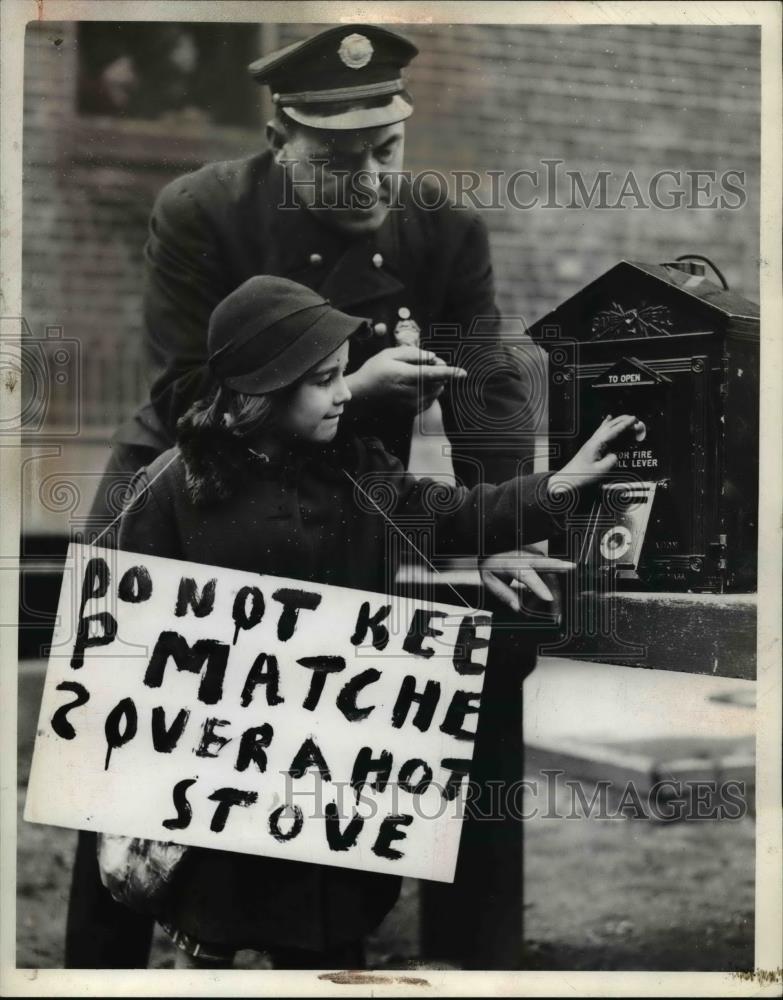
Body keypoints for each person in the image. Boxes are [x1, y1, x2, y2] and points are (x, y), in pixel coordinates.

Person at [66, 22, 555, 968]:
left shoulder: (443, 229)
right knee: (127, 716)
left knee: (484, 653)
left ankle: (470, 954)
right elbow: (183, 390)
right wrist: (340, 392)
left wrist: (504, 526)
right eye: (336, 159)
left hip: (348, 492)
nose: (369, 178)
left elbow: (486, 386)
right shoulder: (201, 210)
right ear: (279, 138)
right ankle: (100, 964)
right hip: (187, 476)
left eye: (386, 149)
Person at [107, 275, 641, 970]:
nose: (344, 394)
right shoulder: (176, 485)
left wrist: (559, 485)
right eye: (324, 382)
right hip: (222, 779)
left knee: (329, 939)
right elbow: (126, 625)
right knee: (212, 939)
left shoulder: (355, 465)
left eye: (340, 377)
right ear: (258, 392)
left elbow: (452, 515)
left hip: (333, 777)